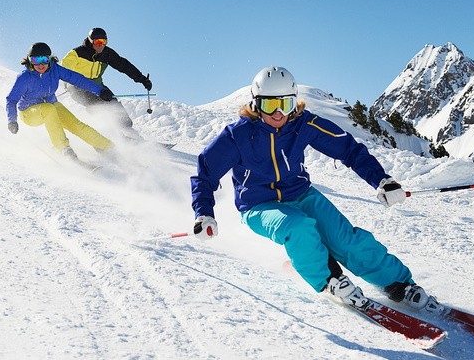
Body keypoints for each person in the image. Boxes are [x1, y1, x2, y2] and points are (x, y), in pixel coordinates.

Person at [189, 66, 442, 313]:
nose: (278, 114)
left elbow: (348, 149)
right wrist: (204, 213)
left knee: (347, 240)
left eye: (285, 105)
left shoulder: (303, 125)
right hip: (258, 206)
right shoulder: (238, 136)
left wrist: (382, 181)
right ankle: (330, 280)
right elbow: (205, 173)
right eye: (269, 105)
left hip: (302, 195)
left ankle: (399, 284)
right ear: (256, 104)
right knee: (298, 227)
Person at [6, 42, 116, 160]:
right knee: (49, 109)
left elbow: (77, 79)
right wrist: (12, 120)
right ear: (29, 61)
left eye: (44, 59)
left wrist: (100, 91)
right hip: (29, 113)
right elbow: (11, 99)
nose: (41, 64)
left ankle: (106, 147)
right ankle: (63, 149)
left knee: (76, 125)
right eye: (35, 60)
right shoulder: (25, 77)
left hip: (51, 105)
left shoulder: (55, 70)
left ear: (49, 59)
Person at [61, 27, 152, 140]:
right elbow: (63, 70)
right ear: (90, 41)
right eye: (97, 42)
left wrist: (142, 79)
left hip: (97, 85)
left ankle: (132, 135)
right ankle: (113, 136)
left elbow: (124, 65)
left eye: (103, 42)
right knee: (98, 106)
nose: (100, 45)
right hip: (77, 87)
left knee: (114, 105)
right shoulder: (76, 53)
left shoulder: (107, 54)